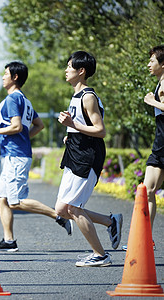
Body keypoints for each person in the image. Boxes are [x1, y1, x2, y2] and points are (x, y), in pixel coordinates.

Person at [0, 61, 73, 252]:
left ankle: (59, 216)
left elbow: (17, 126)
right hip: (15, 154)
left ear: (15, 77)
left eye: (5, 74)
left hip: (15, 156)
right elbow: (39, 125)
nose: (3, 77)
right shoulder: (24, 100)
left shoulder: (11, 100)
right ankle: (9, 241)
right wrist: (22, 139)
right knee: (1, 198)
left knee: (15, 202)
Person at [55, 51, 122, 267]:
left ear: (81, 71)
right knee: (61, 210)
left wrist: (73, 126)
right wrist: (71, 135)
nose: (66, 70)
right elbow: (85, 127)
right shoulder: (76, 96)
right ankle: (110, 221)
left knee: (73, 208)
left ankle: (100, 255)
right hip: (75, 152)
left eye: (69, 66)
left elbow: (101, 130)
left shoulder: (88, 97)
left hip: (87, 156)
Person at [129, 45, 164, 251]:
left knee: (147, 191)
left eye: (152, 61)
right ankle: (145, 239)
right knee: (147, 190)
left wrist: (152, 101)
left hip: (162, 145)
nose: (148, 65)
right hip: (159, 144)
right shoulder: (160, 82)